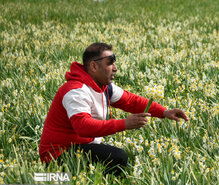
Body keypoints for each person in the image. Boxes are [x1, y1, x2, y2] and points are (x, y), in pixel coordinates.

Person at [39, 42, 189, 175]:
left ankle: (95, 183)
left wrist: (164, 112)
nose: (115, 68)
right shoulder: (76, 91)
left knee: (118, 158)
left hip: (80, 146)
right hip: (57, 156)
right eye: (110, 62)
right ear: (94, 66)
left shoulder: (104, 87)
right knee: (118, 157)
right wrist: (124, 124)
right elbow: (82, 126)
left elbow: (131, 101)